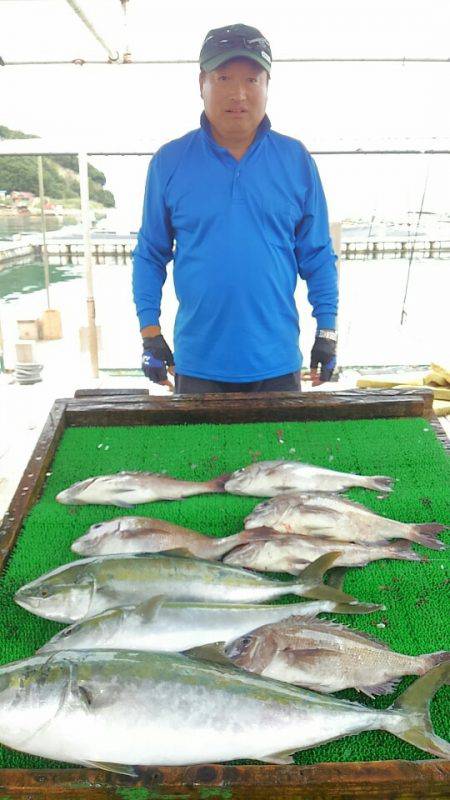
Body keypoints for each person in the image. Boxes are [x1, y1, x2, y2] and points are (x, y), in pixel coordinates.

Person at [133, 23, 338, 394]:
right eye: (223, 77)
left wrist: (327, 332)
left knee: (280, 455)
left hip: (277, 365)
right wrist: (151, 334)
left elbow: (318, 255)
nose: (238, 93)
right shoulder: (169, 162)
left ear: (267, 85)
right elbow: (150, 254)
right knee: (199, 455)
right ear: (202, 84)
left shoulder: (296, 160)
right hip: (197, 366)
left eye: (252, 79)